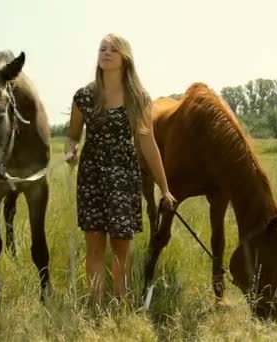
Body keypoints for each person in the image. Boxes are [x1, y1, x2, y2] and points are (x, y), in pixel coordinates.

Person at [64, 33, 177, 306]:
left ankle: (121, 304)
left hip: (124, 178)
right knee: (94, 246)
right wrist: (70, 151)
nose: (106, 52)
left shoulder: (137, 98)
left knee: (121, 249)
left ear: (124, 58)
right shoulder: (84, 96)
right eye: (103, 48)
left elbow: (148, 144)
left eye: (113, 49)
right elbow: (72, 135)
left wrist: (164, 188)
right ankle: (95, 305)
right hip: (91, 177)